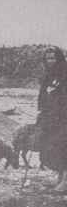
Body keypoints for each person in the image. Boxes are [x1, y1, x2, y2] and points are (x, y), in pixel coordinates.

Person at [37, 46, 67, 192]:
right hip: (50, 118)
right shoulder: (48, 75)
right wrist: (42, 111)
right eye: (48, 58)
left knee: (63, 145)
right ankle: (60, 177)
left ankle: (66, 180)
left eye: (53, 58)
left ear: (59, 59)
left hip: (63, 117)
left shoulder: (65, 74)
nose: (50, 61)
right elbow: (43, 95)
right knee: (52, 146)